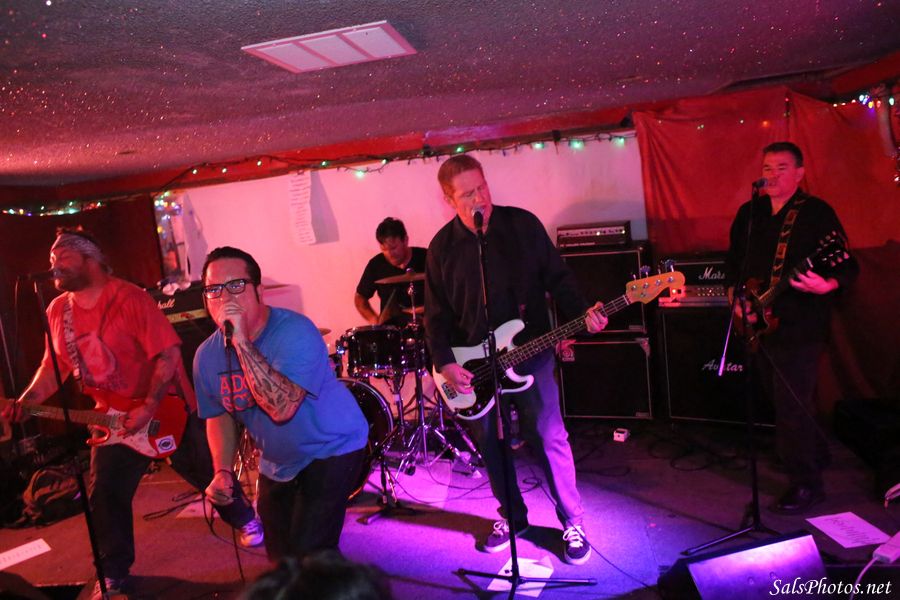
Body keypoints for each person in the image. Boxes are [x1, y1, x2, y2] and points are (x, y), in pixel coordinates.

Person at [0, 228, 208, 598]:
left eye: (64, 257)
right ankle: (112, 573)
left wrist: (147, 406)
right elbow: (54, 368)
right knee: (105, 494)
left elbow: (168, 354)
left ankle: (246, 517)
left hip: (164, 408)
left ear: (91, 259)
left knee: (208, 475)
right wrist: (26, 401)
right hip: (112, 420)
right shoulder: (57, 311)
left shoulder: (130, 298)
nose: (55, 266)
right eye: (52, 259)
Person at [424, 155, 607, 565]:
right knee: (491, 444)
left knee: (548, 434)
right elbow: (435, 317)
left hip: (531, 353)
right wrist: (445, 363)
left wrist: (582, 313)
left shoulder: (522, 225)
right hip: (474, 368)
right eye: (467, 194)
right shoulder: (441, 248)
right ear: (449, 200)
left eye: (482, 187)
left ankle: (573, 521)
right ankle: (514, 517)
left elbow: (559, 278)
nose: (479, 198)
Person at [194, 246, 368, 562]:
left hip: (332, 446)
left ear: (259, 292)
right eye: (214, 289)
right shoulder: (206, 356)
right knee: (281, 556)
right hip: (278, 461)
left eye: (236, 285)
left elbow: (281, 408)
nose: (225, 297)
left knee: (311, 550)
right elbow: (218, 414)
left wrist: (241, 341)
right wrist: (222, 470)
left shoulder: (295, 331)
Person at [725, 141, 858, 514]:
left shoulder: (816, 213)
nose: (772, 175)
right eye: (767, 168)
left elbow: (846, 264)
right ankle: (814, 453)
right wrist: (736, 298)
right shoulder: (750, 213)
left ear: (800, 173)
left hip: (801, 324)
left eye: (781, 168)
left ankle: (806, 484)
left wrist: (827, 285)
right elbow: (733, 262)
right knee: (780, 398)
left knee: (790, 406)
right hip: (759, 322)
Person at [354, 217, 427, 326]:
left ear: (405, 240)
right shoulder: (376, 264)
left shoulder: (426, 257)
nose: (390, 254)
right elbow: (360, 298)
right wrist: (374, 319)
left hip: (427, 324)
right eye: (384, 249)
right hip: (392, 328)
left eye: (393, 248)